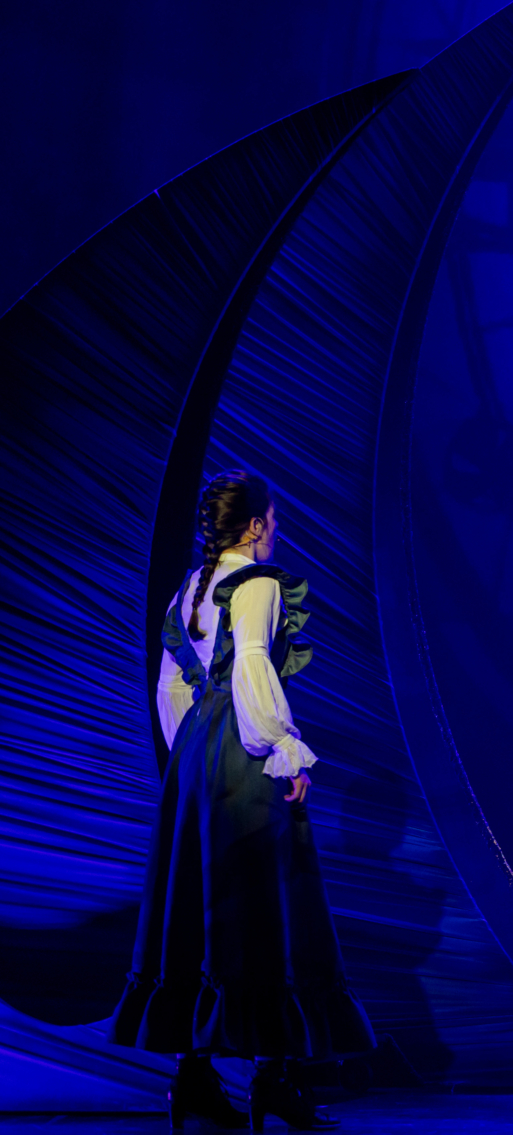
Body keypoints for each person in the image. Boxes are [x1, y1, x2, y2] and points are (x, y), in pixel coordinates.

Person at [110, 471, 373, 1130]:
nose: (276, 530)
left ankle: (194, 1080)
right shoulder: (257, 584)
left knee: (204, 903)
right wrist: (280, 745)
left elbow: (172, 685)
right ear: (254, 526)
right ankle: (272, 1080)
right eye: (273, 520)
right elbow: (253, 664)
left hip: (199, 751)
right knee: (264, 904)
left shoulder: (192, 587)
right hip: (241, 750)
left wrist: (192, 753)